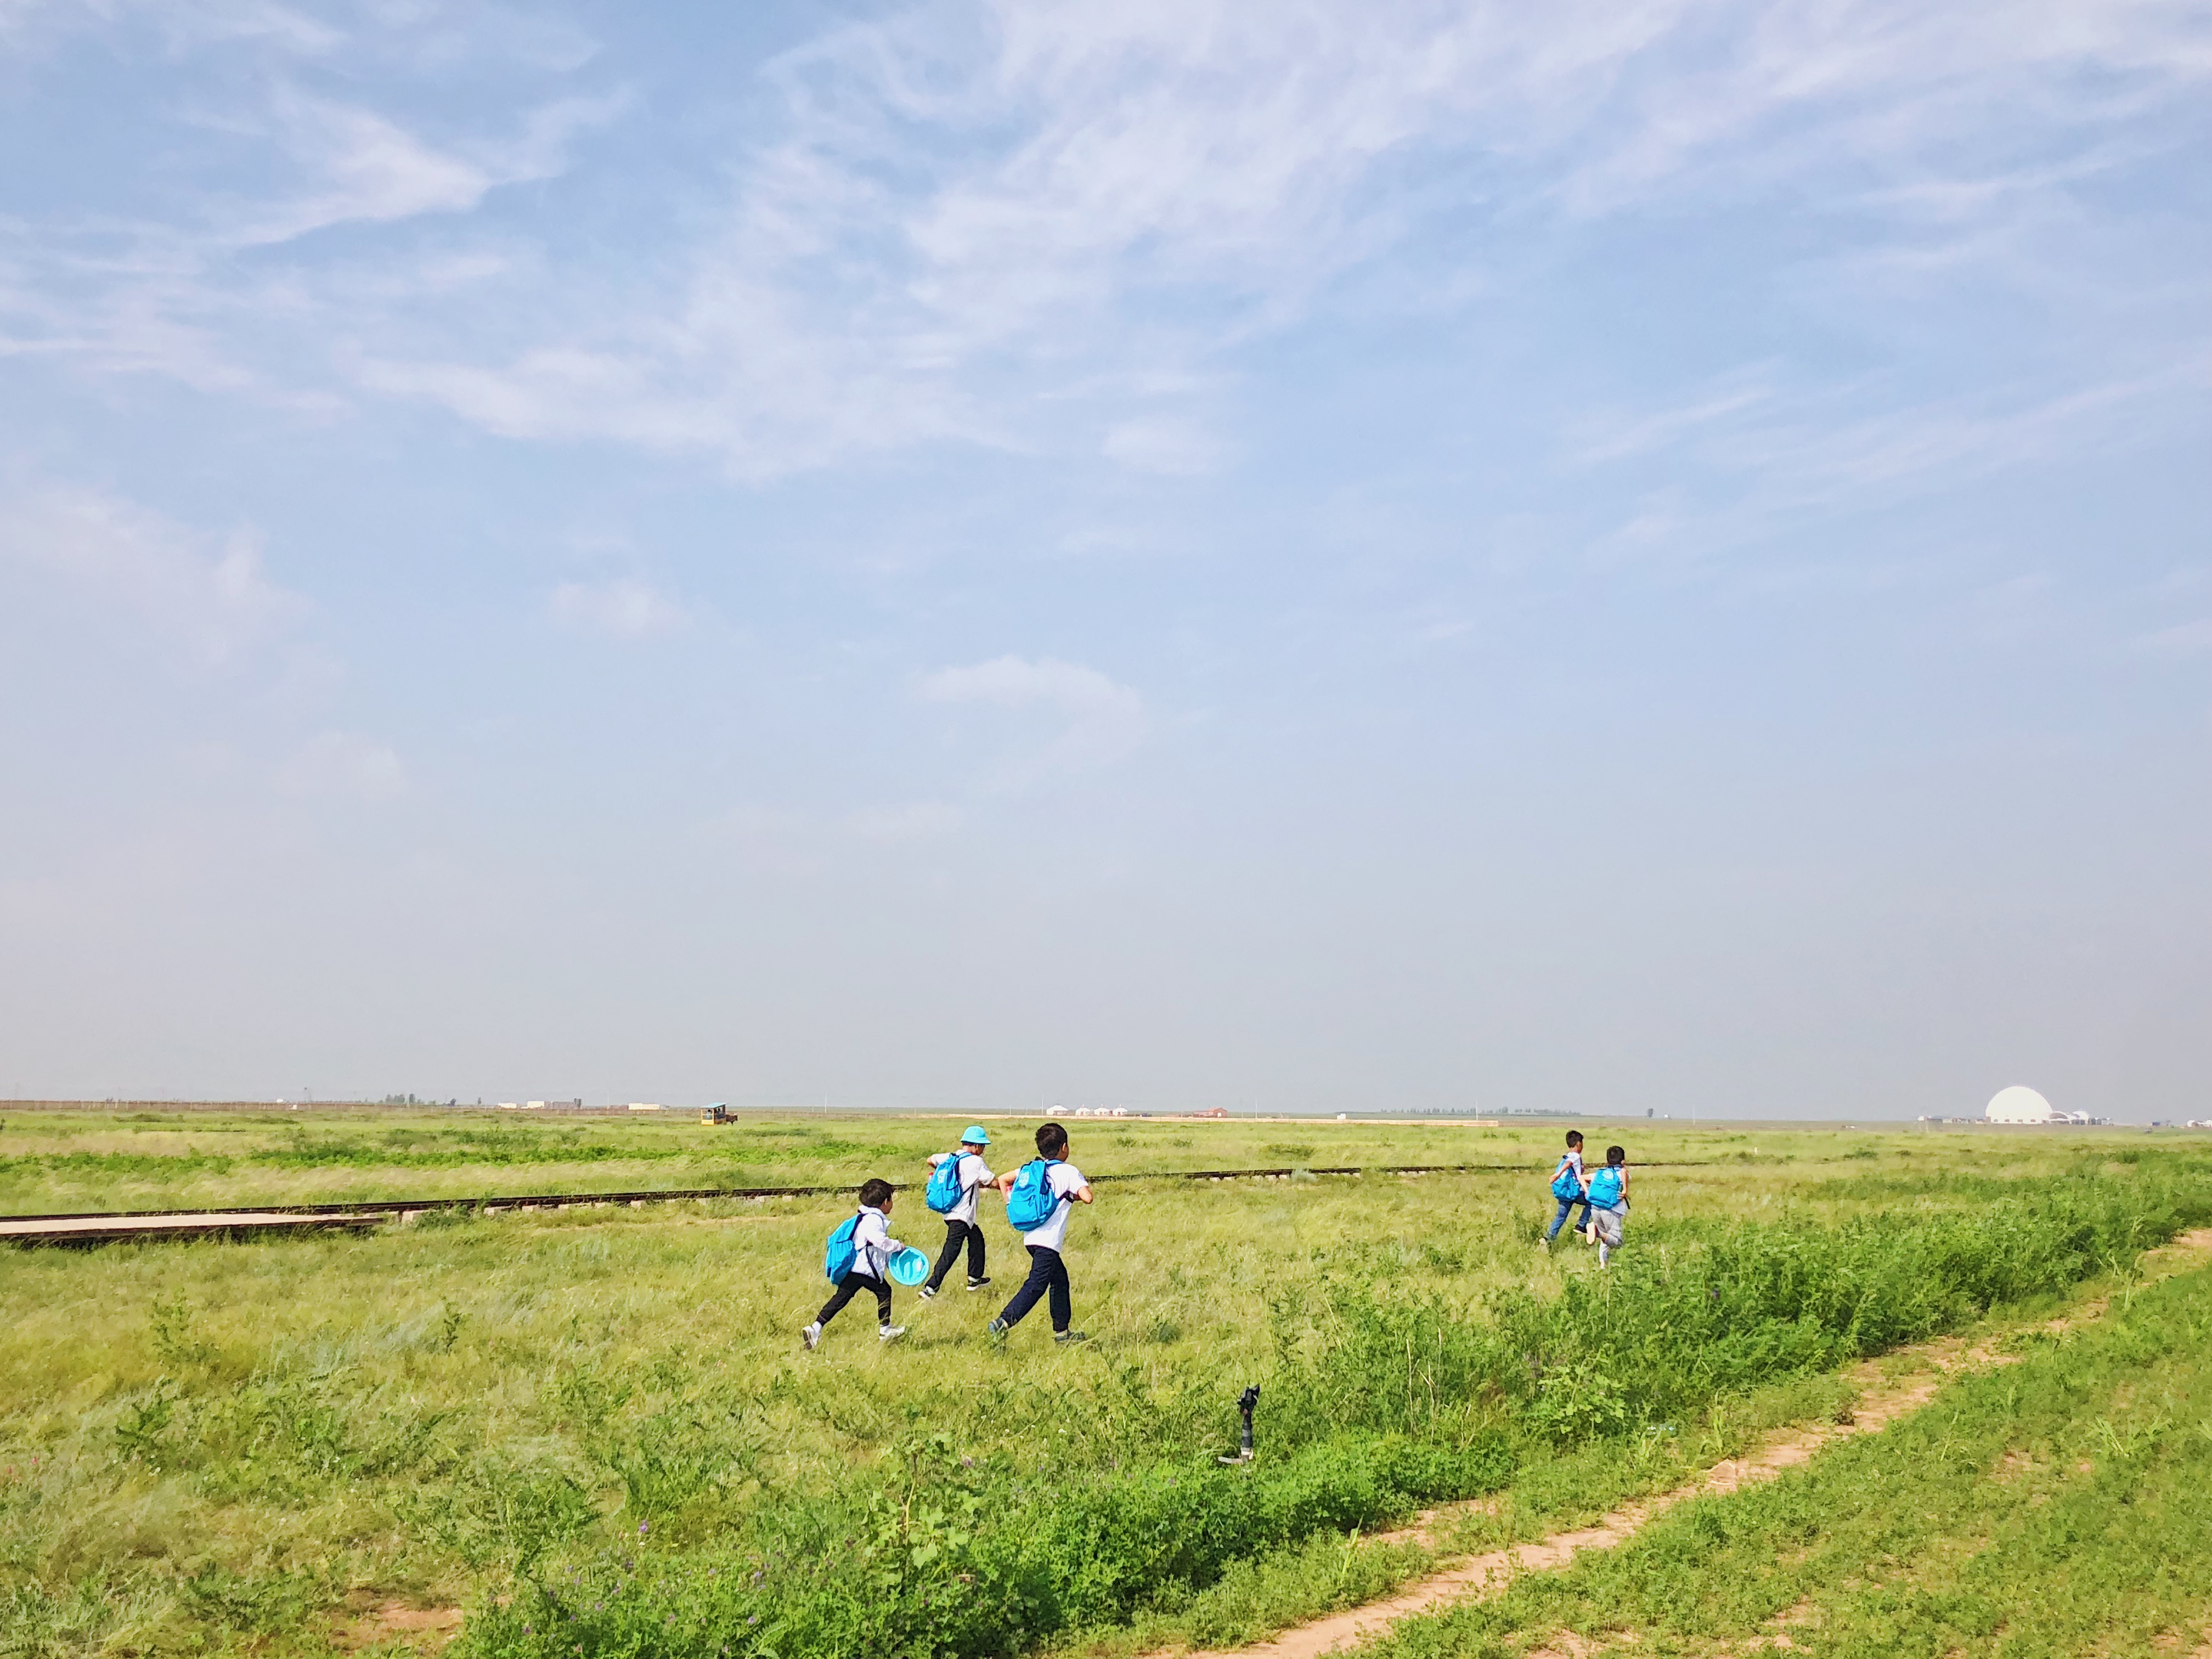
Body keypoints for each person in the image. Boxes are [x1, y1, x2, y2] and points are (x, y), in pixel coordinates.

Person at [986, 1121, 1092, 1345]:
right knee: (1036, 1285)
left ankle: (1062, 1333)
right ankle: (1003, 1322)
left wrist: (1009, 1203)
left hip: (1031, 1238)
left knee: (1060, 1281)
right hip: (1048, 1241)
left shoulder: (1030, 1169)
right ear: (1064, 1147)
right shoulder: (1068, 1171)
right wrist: (1072, 1194)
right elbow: (1088, 1197)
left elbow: (1003, 1180)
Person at [802, 1177, 907, 1349]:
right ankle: (885, 1329)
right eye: (891, 1200)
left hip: (854, 1268)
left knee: (842, 1297)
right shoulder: (874, 1220)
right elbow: (879, 1241)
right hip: (865, 1269)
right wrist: (898, 1246)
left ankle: (816, 1327)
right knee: (885, 1291)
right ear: (886, 1202)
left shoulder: (864, 1216)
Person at [919, 1126, 996, 1299]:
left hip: (950, 1212)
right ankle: (930, 1288)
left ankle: (975, 1279)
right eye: (983, 1146)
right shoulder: (976, 1162)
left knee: (977, 1239)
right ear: (976, 1146)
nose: (983, 1151)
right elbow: (991, 1182)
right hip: (962, 1215)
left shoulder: (949, 1157)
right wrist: (1010, 1186)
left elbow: (930, 1160)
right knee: (951, 1251)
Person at [1543, 1131, 1592, 1247]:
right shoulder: (1575, 1156)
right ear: (1579, 1144)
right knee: (1592, 1200)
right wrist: (1558, 1174)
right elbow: (1569, 1164)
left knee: (1561, 1216)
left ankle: (1548, 1238)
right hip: (1574, 1191)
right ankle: (1582, 1224)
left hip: (1565, 1192)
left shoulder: (1568, 1155)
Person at [1587, 1145, 1630, 1268]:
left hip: (1595, 1208)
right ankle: (1596, 1232)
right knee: (1617, 1241)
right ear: (1622, 1161)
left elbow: (1582, 1178)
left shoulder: (1600, 1173)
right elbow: (1625, 1172)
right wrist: (1625, 1190)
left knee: (1606, 1238)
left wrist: (1587, 1191)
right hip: (1612, 1210)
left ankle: (1603, 1265)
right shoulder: (1622, 1173)